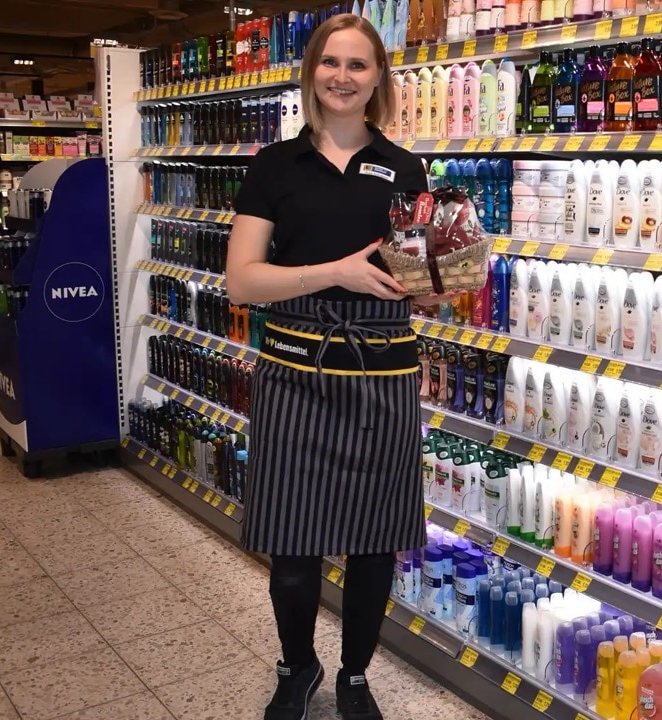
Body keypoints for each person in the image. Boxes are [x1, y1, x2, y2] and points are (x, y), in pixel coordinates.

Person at [225, 14, 450, 720]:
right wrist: (337, 273)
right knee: (292, 551)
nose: (343, 77)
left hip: (382, 372)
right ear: (311, 72)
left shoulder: (406, 168)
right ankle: (298, 667)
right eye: (331, 63)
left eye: (358, 65)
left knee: (374, 544)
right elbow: (242, 282)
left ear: (378, 78)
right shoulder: (274, 167)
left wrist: (448, 279)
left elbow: (416, 277)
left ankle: (354, 674)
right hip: (296, 368)